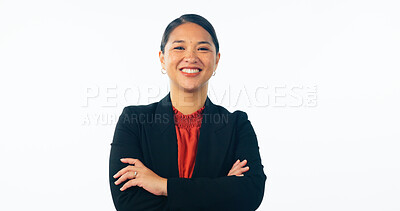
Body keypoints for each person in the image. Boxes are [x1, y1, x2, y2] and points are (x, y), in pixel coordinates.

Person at [109, 14, 266, 211]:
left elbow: (250, 194)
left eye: (202, 48)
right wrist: (222, 188)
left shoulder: (237, 124)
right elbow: (128, 203)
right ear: (162, 59)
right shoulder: (134, 121)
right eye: (179, 47)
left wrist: (163, 185)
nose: (191, 57)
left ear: (216, 60)